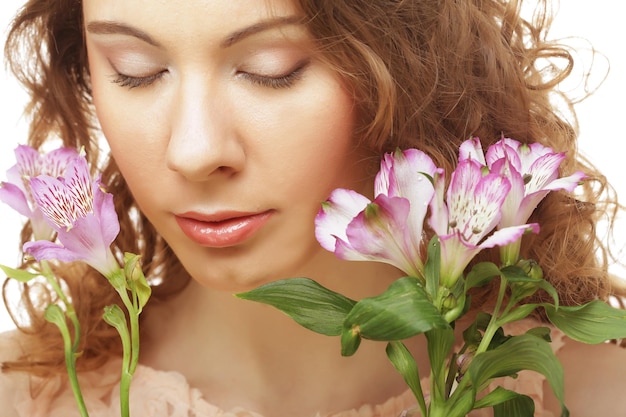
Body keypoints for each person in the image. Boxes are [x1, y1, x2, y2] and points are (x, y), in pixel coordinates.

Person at [0, 0, 625, 416]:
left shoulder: (587, 396)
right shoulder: (28, 395)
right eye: (135, 71)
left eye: (271, 69)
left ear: (400, 66)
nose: (194, 151)